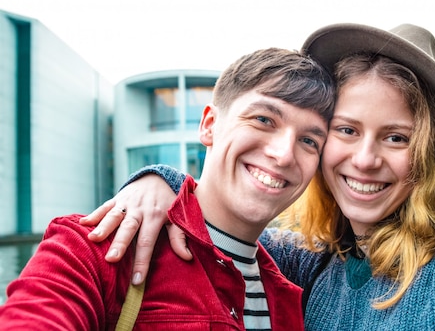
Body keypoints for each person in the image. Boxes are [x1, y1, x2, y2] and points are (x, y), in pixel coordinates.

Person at [83, 23, 435, 330]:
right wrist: (157, 182)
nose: (365, 159)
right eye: (345, 131)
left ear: (429, 153)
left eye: (396, 137)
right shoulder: (309, 263)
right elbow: (226, 217)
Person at [0, 47, 336, 330]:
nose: (283, 154)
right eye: (264, 120)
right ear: (209, 126)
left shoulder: (293, 286)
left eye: (308, 140)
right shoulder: (101, 247)